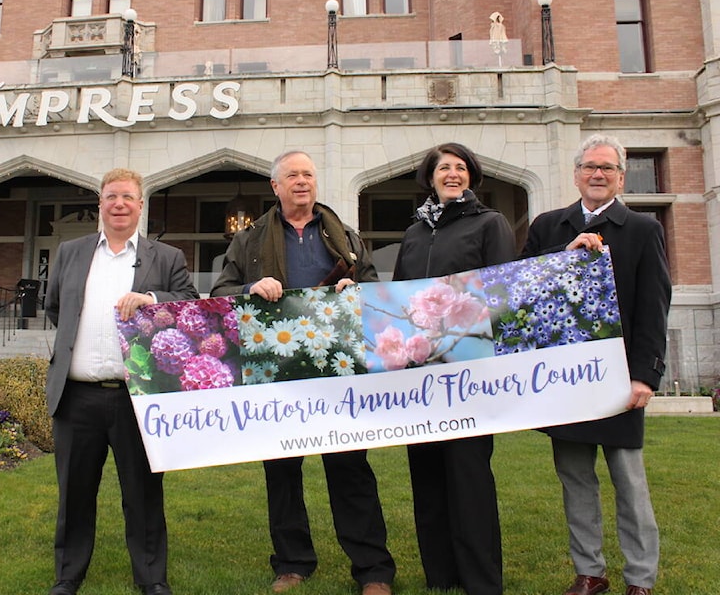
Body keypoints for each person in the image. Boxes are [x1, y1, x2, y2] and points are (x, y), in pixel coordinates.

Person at [211, 150, 396, 595]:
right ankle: (292, 563)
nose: (301, 182)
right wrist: (251, 288)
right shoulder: (250, 240)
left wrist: (357, 289)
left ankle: (372, 570)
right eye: (292, 175)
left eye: (308, 175)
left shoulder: (345, 235)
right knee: (282, 471)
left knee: (351, 469)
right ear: (275, 187)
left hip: (337, 369)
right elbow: (220, 292)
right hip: (277, 371)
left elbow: (374, 289)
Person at [521, 134, 671, 595]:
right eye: (590, 166)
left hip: (620, 378)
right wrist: (561, 260)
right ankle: (590, 572)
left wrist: (646, 375)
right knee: (575, 480)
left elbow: (654, 305)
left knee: (630, 483)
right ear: (576, 173)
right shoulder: (549, 226)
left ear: (621, 176)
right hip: (566, 382)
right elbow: (521, 290)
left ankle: (640, 579)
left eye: (607, 168)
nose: (598, 174)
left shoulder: (644, 230)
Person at [44, 168, 199, 595]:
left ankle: (152, 578)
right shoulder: (71, 252)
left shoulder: (166, 258)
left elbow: (188, 304)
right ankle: (67, 577)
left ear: (140, 205)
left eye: (128, 197)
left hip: (138, 398)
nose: (119, 204)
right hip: (77, 397)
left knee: (144, 494)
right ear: (100, 203)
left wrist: (151, 300)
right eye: (112, 196)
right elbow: (57, 308)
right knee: (74, 495)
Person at [392, 142, 514, 595]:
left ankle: (481, 581)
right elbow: (403, 297)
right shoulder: (414, 234)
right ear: (430, 177)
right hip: (420, 374)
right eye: (444, 168)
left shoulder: (490, 223)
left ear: (472, 176)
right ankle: (440, 577)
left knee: (469, 477)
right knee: (426, 475)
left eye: (461, 168)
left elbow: (501, 292)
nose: (453, 174)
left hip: (470, 370)